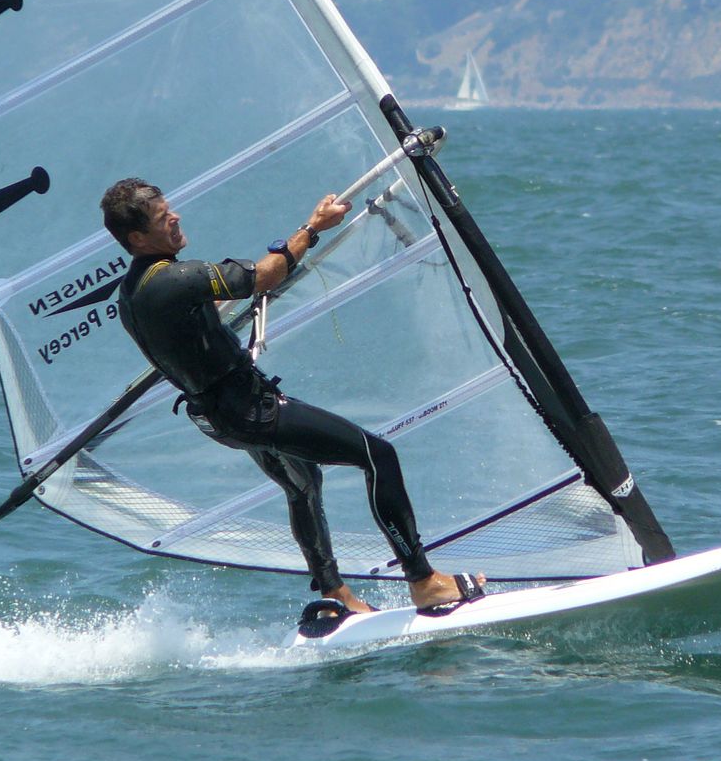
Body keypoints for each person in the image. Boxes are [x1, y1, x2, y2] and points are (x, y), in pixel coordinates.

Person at [99, 177, 484, 614]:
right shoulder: (176, 279)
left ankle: (334, 594)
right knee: (378, 455)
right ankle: (423, 580)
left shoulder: (131, 293)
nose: (175, 217)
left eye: (170, 209)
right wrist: (313, 227)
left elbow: (187, 330)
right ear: (137, 237)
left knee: (303, 483)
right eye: (161, 217)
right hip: (251, 410)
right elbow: (264, 275)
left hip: (217, 417)